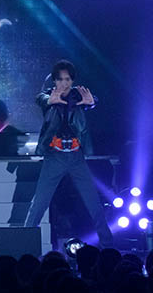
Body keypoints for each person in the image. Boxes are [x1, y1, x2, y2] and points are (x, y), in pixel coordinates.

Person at [23, 60, 113, 246]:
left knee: (93, 203)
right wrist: (49, 101)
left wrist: (92, 103)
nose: (64, 83)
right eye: (60, 79)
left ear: (72, 81)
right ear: (54, 81)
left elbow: (91, 100)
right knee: (39, 204)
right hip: (55, 157)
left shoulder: (77, 96)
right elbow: (40, 98)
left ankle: (108, 246)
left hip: (75, 157)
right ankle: (25, 245)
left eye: (68, 79)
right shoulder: (49, 96)